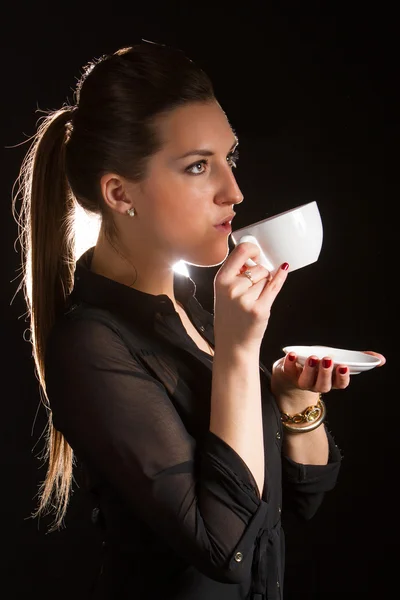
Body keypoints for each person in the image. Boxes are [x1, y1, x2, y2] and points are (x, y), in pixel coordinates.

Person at [12, 41, 385, 600]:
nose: (233, 192)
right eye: (196, 166)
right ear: (119, 192)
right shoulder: (90, 344)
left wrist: (292, 404)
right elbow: (225, 548)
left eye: (228, 159)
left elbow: (293, 504)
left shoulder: (190, 302)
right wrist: (237, 354)